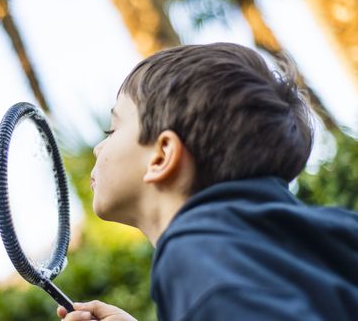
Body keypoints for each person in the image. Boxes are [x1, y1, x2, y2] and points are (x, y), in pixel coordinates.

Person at [57, 43, 358, 321]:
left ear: (162, 156)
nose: (98, 148)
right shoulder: (316, 239)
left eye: (113, 130)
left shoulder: (194, 250)